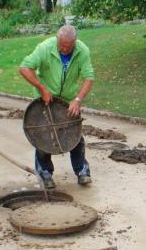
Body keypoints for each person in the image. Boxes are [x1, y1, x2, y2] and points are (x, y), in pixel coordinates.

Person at [19, 25, 94, 189]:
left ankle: (82, 171)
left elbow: (89, 77)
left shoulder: (82, 51)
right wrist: (42, 88)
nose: (64, 49)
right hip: (45, 99)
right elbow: (24, 68)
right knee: (43, 135)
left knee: (75, 134)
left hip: (68, 100)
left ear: (75, 42)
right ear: (57, 39)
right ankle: (45, 173)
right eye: (61, 45)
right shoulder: (45, 48)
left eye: (68, 46)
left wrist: (78, 99)